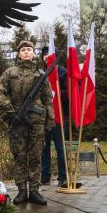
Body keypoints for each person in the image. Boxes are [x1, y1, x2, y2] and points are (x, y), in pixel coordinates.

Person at [0, 41, 55, 205]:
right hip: (17, 121)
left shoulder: (41, 73)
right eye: (23, 50)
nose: (27, 52)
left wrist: (51, 120)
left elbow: (48, 99)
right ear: (18, 54)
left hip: (37, 122)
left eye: (29, 49)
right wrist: (10, 112)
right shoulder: (9, 72)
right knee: (19, 156)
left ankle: (34, 191)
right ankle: (22, 191)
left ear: (33, 54)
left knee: (35, 157)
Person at [39, 46, 68, 187]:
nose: (46, 56)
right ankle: (45, 176)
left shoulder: (63, 72)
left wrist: (55, 93)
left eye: (49, 54)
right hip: (43, 117)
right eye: (44, 54)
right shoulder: (40, 73)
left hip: (59, 116)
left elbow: (69, 92)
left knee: (60, 148)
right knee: (44, 148)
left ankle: (63, 177)